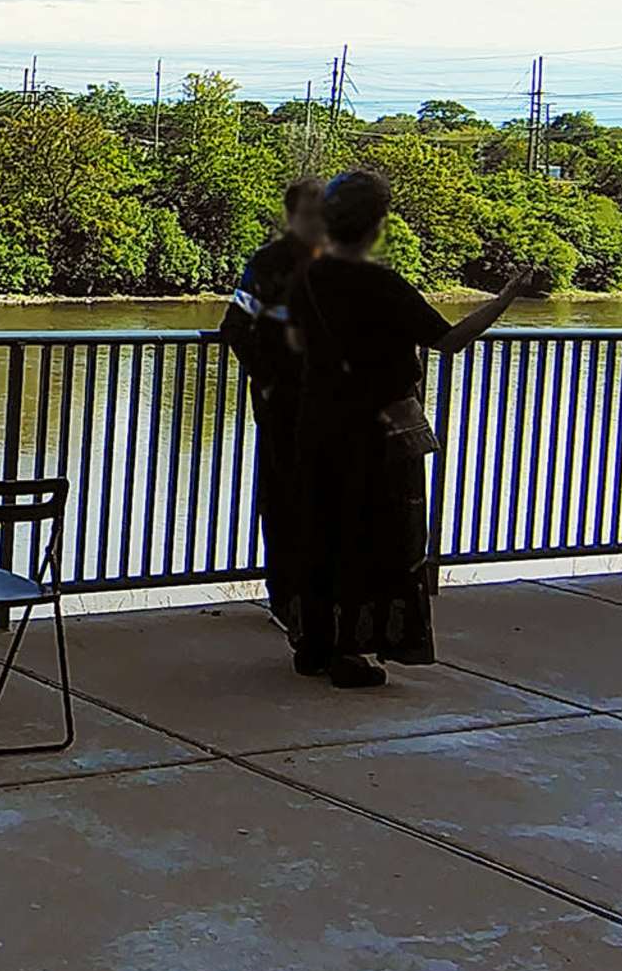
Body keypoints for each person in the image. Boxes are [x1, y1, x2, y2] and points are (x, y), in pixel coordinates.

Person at [282, 170, 529, 686]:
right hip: (375, 432)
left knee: (321, 530)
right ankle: (353, 651)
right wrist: (504, 297)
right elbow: (449, 340)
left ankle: (314, 644)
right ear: (376, 225)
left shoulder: (307, 277)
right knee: (373, 537)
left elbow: (297, 347)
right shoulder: (383, 284)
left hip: (318, 423)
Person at [217, 180, 328, 634]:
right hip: (284, 406)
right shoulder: (268, 264)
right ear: (291, 216)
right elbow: (235, 326)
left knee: (324, 502)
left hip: (334, 407)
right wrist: (268, 382)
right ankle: (286, 599)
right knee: (284, 500)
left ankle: (316, 599)